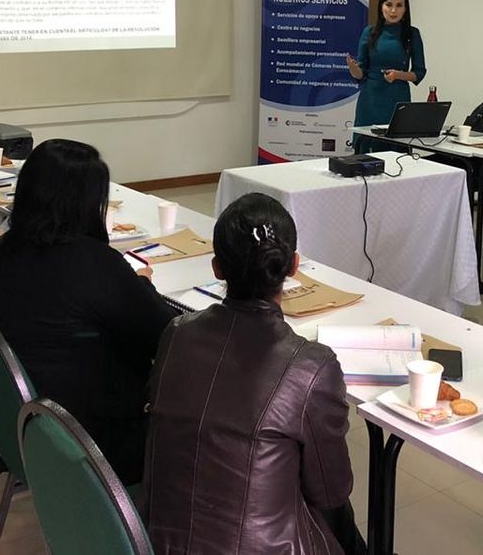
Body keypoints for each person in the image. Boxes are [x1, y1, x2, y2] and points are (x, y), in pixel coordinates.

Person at [142, 192, 364, 555]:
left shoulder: (177, 333)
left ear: (217, 268)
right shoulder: (311, 367)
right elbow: (331, 490)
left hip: (156, 541)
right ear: (294, 265)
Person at [0, 139, 177, 485]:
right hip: (92, 444)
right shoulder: (95, 264)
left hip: (17, 428)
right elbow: (168, 334)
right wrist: (143, 286)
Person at [346, 0, 426, 151]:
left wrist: (398, 75)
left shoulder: (412, 34)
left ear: (405, 9)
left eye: (399, 5)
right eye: (389, 5)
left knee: (397, 152)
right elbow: (361, 73)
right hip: (370, 100)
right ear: (381, 6)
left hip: (397, 100)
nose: (393, 10)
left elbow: (419, 73)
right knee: (366, 153)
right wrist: (353, 69)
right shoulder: (369, 32)